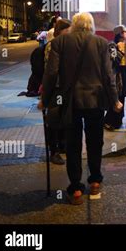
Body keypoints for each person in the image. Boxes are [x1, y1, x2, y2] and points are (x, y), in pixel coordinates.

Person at [39, 12, 123, 205]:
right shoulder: (102, 43)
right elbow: (107, 76)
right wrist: (115, 100)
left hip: (70, 102)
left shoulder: (60, 43)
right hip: (95, 100)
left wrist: (45, 99)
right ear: (91, 25)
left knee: (73, 144)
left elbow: (51, 74)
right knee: (95, 141)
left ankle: (75, 188)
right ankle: (94, 180)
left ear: (75, 24)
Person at [43, 19, 72, 165]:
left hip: (64, 88)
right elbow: (51, 71)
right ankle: (53, 151)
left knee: (63, 118)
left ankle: (62, 146)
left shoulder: (66, 45)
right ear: (60, 31)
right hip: (56, 88)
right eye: (67, 31)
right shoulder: (52, 46)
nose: (70, 34)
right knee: (54, 119)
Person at [104, 25, 126, 131]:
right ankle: (109, 121)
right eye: (125, 32)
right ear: (120, 33)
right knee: (116, 98)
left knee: (122, 97)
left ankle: (118, 121)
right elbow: (114, 58)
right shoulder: (112, 45)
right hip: (116, 76)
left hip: (124, 75)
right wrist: (121, 50)